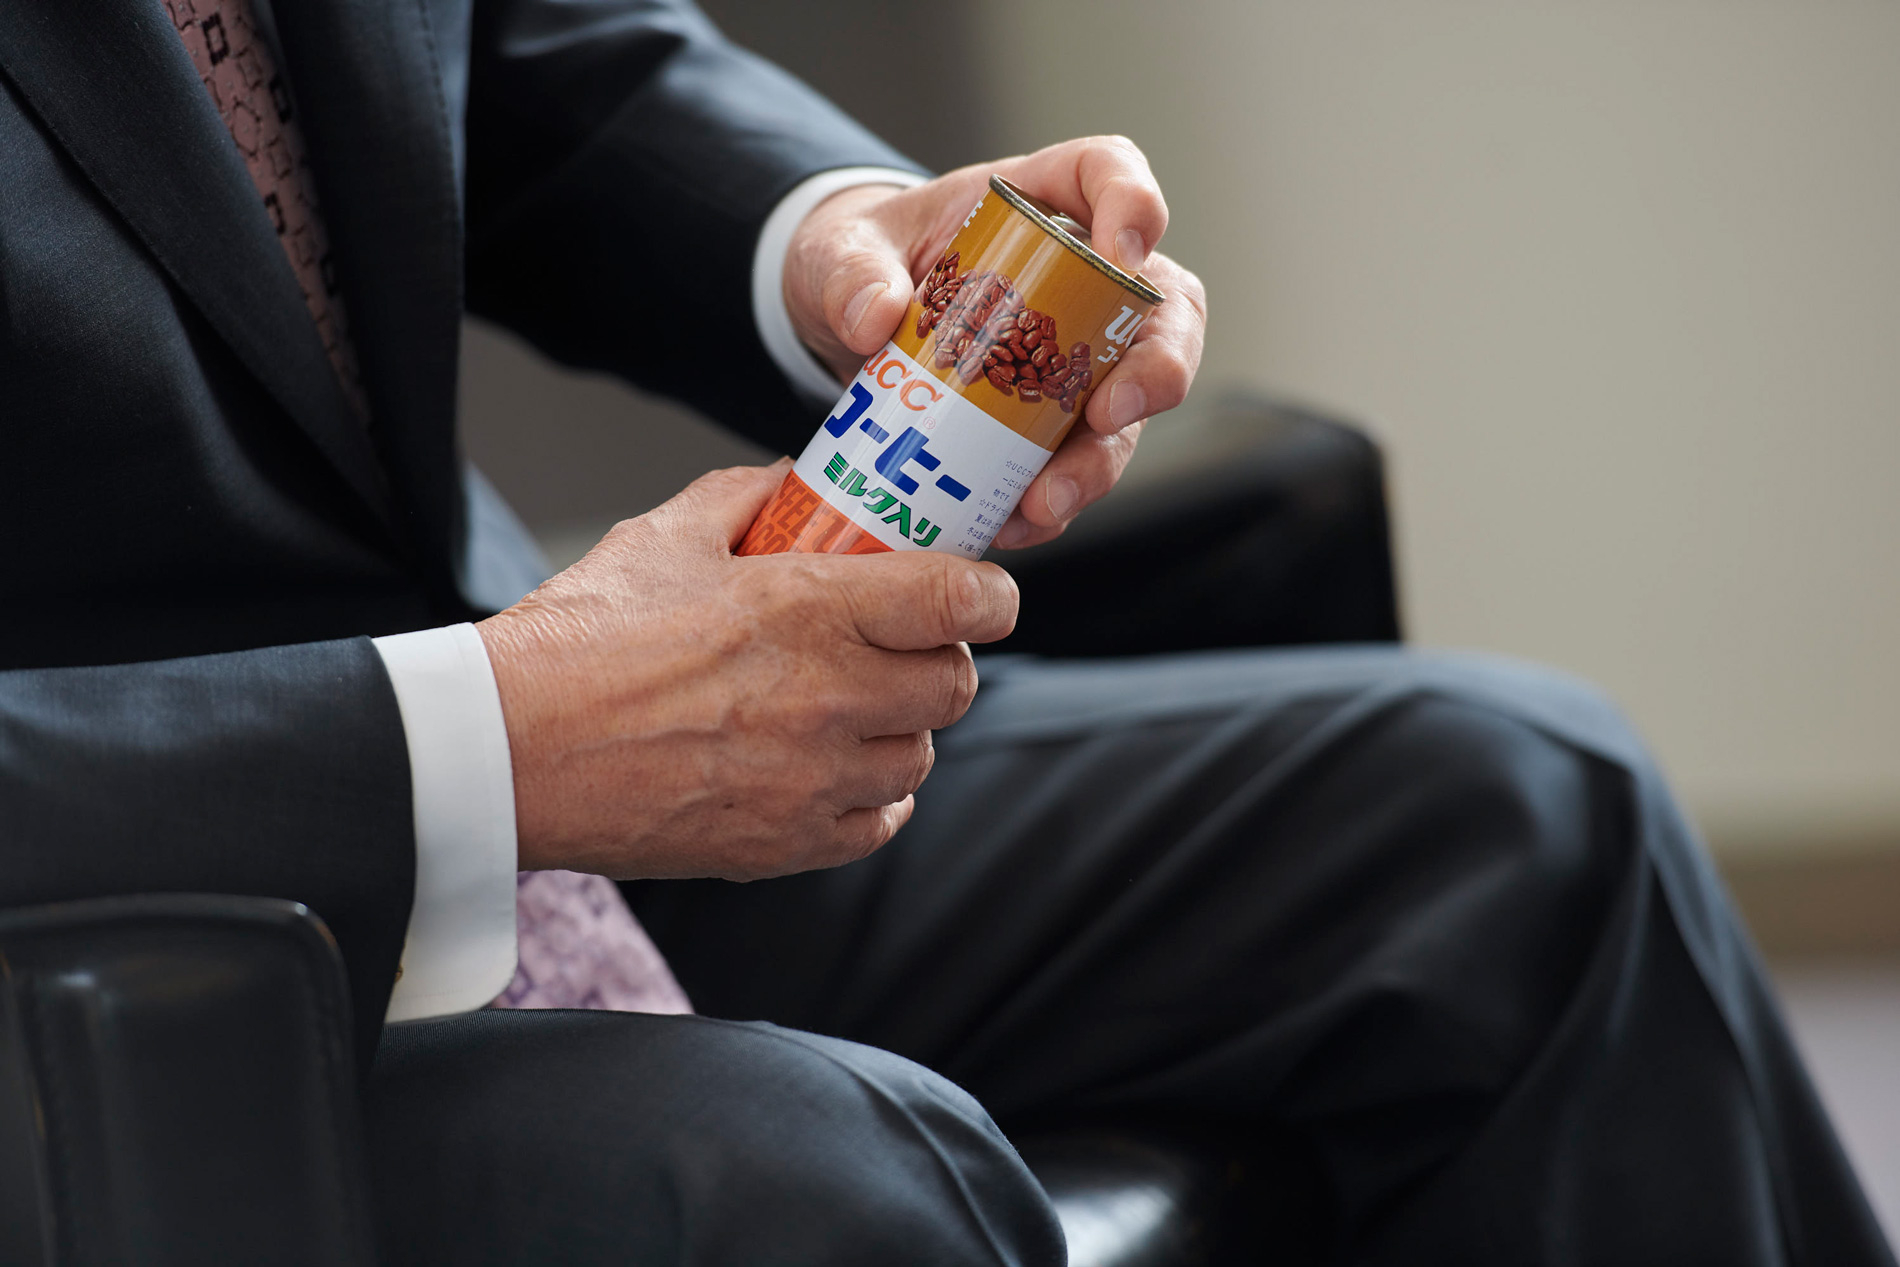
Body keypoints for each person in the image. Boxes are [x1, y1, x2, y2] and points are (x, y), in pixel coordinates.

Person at [0, 1, 1889, 1263]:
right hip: (93, 937)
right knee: (821, 1187)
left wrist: (851, 245)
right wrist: (481, 734)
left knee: (1510, 806)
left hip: (519, 773)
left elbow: (524, 55)